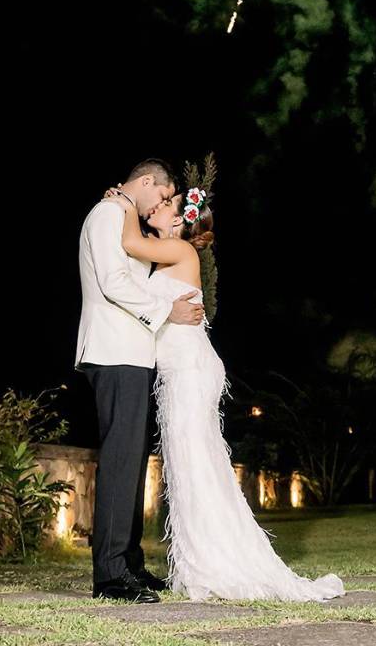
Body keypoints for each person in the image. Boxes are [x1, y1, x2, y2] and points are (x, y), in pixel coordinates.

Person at [104, 183, 345, 602]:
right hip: (182, 373)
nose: (155, 209)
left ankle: (219, 563)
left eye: (164, 205)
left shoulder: (181, 252)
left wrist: (124, 200)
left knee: (196, 467)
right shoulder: (164, 260)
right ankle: (204, 562)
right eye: (159, 203)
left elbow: (128, 240)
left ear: (178, 221)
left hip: (190, 373)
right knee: (190, 469)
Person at [76, 157, 205, 603]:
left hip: (132, 353)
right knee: (120, 461)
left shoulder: (122, 215)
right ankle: (110, 575)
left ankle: (129, 563)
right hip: (114, 352)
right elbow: (112, 282)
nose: (163, 204)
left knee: (131, 463)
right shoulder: (107, 213)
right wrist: (166, 310)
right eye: (165, 196)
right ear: (148, 182)